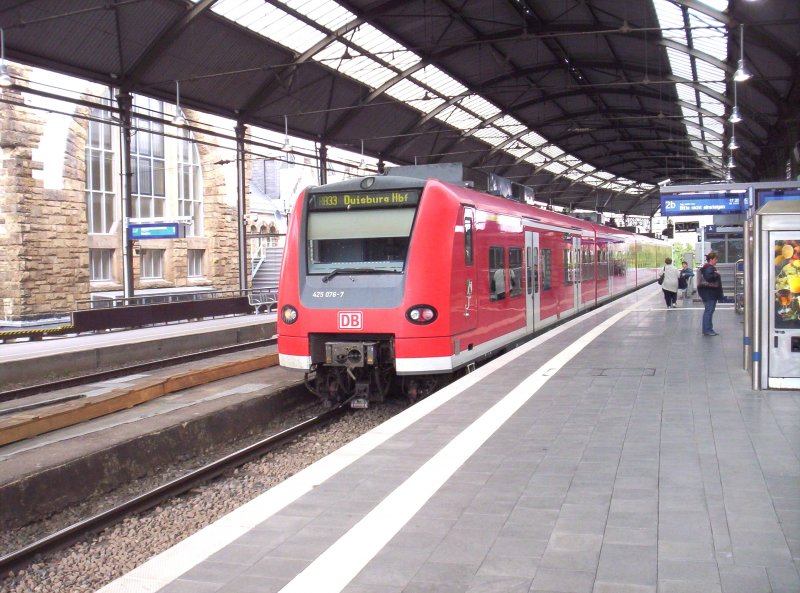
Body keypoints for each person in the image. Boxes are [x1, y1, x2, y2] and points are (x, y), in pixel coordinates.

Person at [698, 251, 723, 336]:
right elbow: (709, 278)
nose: (717, 261)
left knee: (709, 311)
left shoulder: (707, 267)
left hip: (708, 292)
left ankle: (709, 329)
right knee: (709, 311)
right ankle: (707, 330)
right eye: (715, 259)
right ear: (711, 259)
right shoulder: (709, 267)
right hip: (709, 293)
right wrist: (717, 274)